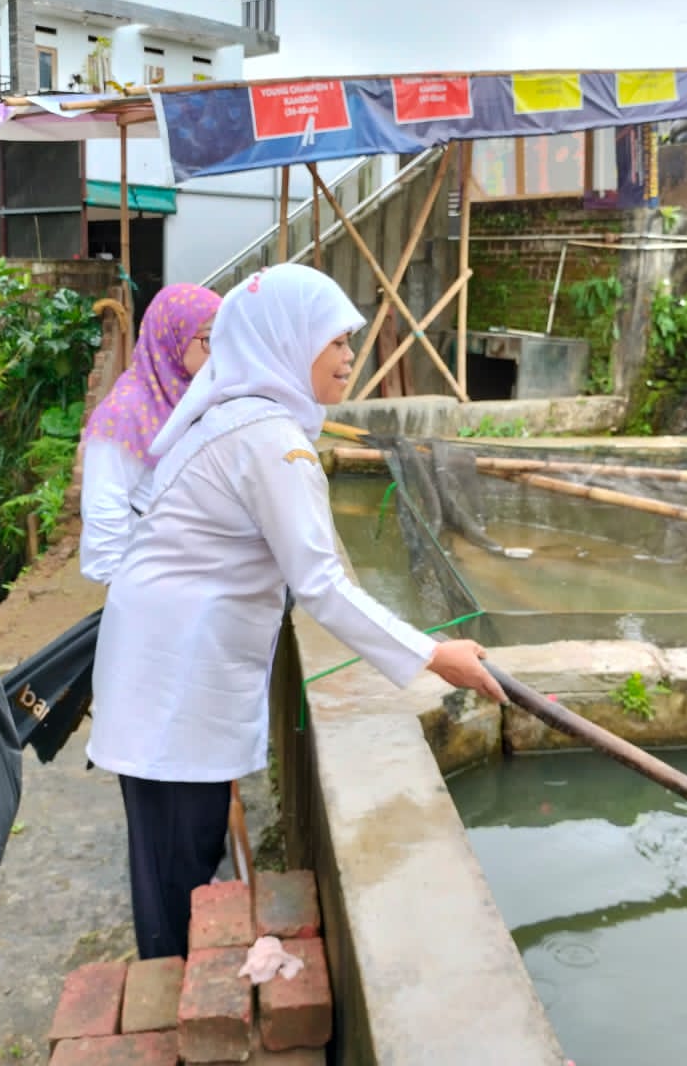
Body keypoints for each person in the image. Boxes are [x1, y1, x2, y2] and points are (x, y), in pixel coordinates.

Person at [87, 261, 508, 961]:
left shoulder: (240, 417)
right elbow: (321, 584)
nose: (350, 357)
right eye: (335, 341)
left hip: (170, 677)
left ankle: (182, 987)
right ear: (286, 340)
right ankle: (169, 1005)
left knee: (183, 857)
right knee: (174, 875)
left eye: (350, 341)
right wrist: (435, 656)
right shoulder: (268, 440)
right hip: (172, 688)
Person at [80, 283, 221, 584]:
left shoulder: (194, 398)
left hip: (190, 574)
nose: (221, 351)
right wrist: (123, 588)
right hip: (149, 579)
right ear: (172, 338)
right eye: (210, 339)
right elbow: (104, 505)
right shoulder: (125, 411)